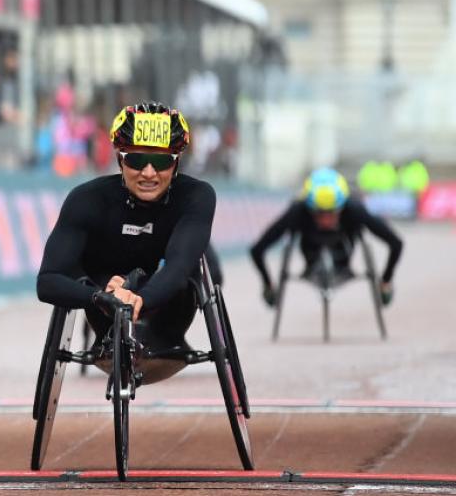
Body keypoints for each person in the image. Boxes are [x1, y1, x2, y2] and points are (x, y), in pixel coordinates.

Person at [36, 102, 213, 353]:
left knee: (188, 275)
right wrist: (100, 297)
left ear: (177, 162)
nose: (149, 173)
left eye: (161, 162)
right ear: (120, 158)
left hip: (169, 314)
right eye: (137, 159)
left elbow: (179, 265)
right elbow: (48, 280)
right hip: (106, 310)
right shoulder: (86, 199)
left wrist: (139, 299)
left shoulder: (197, 196)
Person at [249, 167, 403, 306]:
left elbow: (396, 243)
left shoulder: (354, 210)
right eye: (320, 213)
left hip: (344, 258)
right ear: (310, 208)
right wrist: (268, 284)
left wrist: (386, 280)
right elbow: (257, 250)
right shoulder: (298, 211)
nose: (326, 219)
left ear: (341, 207)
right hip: (310, 259)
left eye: (332, 213)